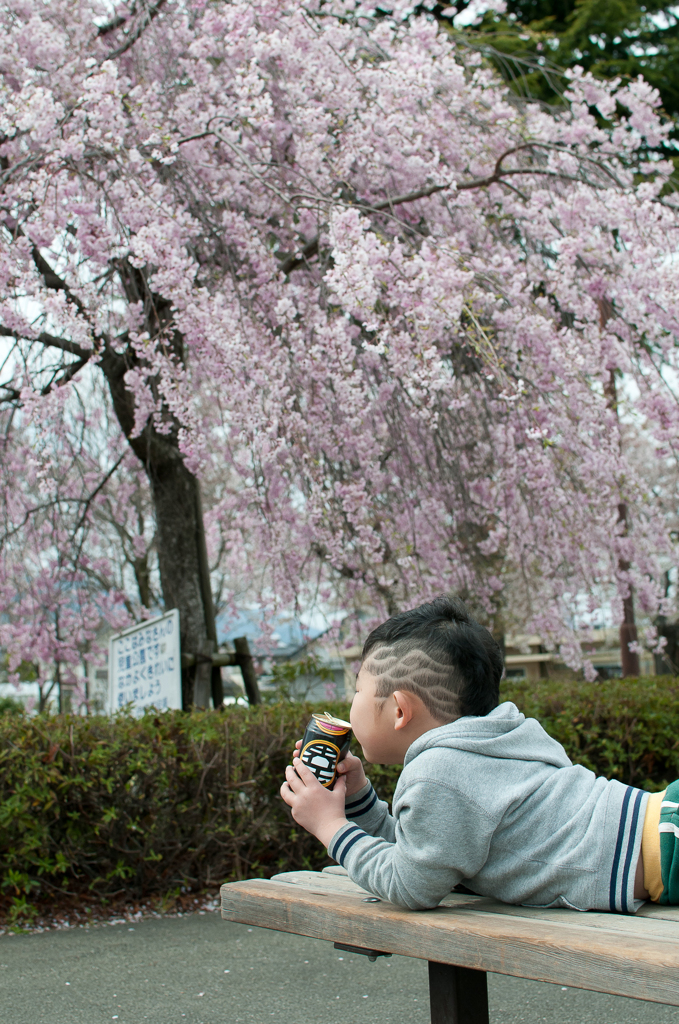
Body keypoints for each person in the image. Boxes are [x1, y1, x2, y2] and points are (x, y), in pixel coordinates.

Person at [280, 595, 677, 912]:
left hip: (667, 851)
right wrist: (358, 799)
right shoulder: (496, 740)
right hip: (661, 825)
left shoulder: (438, 772)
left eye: (358, 690)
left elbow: (410, 885)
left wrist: (330, 827)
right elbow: (427, 857)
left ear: (399, 710)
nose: (352, 703)